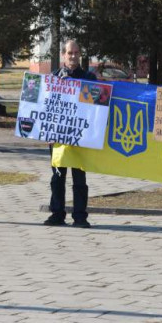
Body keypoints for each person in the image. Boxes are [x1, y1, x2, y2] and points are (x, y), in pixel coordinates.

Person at [44, 40, 97, 228]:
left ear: (79, 54)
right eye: (69, 53)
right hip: (57, 138)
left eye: (76, 52)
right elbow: (46, 107)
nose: (73, 56)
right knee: (57, 177)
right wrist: (46, 130)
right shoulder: (53, 78)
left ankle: (80, 216)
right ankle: (57, 214)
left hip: (80, 137)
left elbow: (95, 108)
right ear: (63, 55)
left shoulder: (89, 78)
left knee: (79, 178)